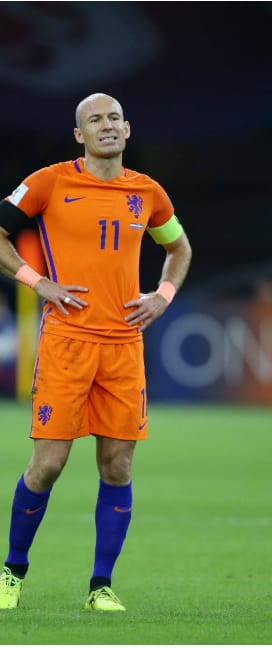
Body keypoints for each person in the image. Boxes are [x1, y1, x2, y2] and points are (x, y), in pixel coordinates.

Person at [0, 93, 192, 612]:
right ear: (79, 135)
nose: (106, 127)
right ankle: (12, 571)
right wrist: (37, 282)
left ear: (127, 130)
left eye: (113, 119)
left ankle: (100, 586)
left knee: (117, 465)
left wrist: (162, 297)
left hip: (124, 347)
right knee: (48, 465)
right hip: (66, 343)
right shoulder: (49, 182)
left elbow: (179, 249)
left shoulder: (147, 192)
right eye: (94, 121)